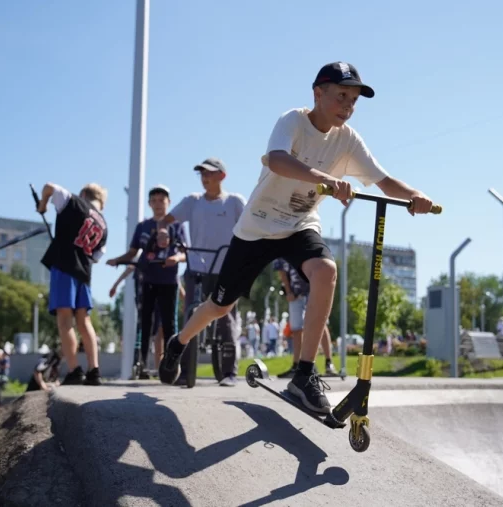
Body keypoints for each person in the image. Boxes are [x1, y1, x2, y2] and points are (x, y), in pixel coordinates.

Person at [158, 62, 434, 413]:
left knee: (325, 271)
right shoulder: (293, 121)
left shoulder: (348, 140)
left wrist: (414, 195)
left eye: (353, 101)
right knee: (220, 306)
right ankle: (179, 343)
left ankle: (304, 374)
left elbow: (382, 180)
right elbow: (276, 160)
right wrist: (328, 180)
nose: (348, 106)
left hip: (300, 224)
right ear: (318, 94)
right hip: (257, 227)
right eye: (341, 97)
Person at [156, 159, 246, 386]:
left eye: (210, 173)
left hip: (226, 269)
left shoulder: (234, 202)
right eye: (202, 174)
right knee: (190, 317)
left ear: (222, 176)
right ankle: (185, 371)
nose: (205, 178)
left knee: (227, 319)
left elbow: (249, 227)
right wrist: (164, 232)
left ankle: (229, 373)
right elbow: (165, 221)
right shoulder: (192, 201)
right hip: (197, 268)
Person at [107, 184, 186, 379]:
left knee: (169, 324)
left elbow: (185, 252)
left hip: (169, 281)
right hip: (147, 280)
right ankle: (142, 364)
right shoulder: (143, 227)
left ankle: (170, 364)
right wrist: (118, 260)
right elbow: (133, 253)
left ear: (169, 202)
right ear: (150, 203)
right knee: (145, 322)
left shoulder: (176, 226)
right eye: (155, 201)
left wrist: (175, 258)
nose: (158, 204)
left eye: (162, 200)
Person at [38, 181, 109, 386]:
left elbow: (49, 187)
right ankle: (94, 369)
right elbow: (96, 256)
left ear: (84, 193)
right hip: (84, 274)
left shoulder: (75, 202)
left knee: (65, 319)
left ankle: (74, 369)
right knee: (84, 321)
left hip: (64, 267)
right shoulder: (104, 226)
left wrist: (42, 205)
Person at [274, 257, 337, 377]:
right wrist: (288, 292)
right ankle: (296, 365)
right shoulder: (282, 242)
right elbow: (281, 270)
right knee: (296, 328)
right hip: (295, 292)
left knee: (321, 323)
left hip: (313, 290)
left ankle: (329, 363)